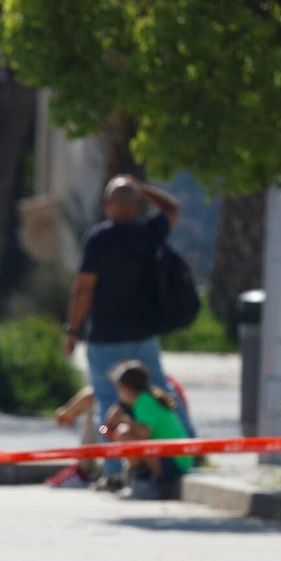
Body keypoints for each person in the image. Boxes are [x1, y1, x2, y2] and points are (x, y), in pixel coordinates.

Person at [62, 175, 180, 485]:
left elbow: (84, 289)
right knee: (159, 398)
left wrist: (72, 331)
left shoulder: (98, 239)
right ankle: (171, 458)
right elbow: (171, 208)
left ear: (108, 205)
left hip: (104, 338)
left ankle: (113, 472)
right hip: (142, 336)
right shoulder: (149, 234)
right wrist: (143, 189)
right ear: (137, 205)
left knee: (106, 406)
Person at [101, 360, 193, 499]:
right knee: (123, 432)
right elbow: (103, 431)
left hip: (174, 461)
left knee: (125, 435)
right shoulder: (136, 401)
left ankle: (143, 481)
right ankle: (137, 480)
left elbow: (144, 433)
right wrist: (108, 423)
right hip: (172, 458)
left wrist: (125, 420)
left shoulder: (144, 401)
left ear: (125, 388)